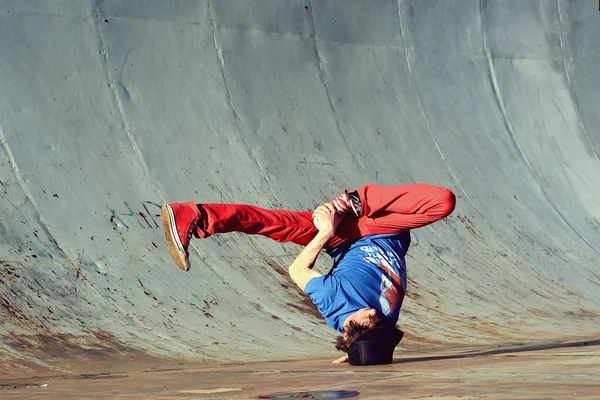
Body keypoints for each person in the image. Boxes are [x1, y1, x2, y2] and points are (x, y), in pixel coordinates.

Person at [160, 183, 456, 365]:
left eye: (370, 323)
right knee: (443, 201)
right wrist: (358, 352)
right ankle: (351, 201)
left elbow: (297, 269)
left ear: (351, 330)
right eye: (379, 322)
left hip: (347, 233)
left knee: (274, 224)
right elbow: (375, 336)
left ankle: (192, 216)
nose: (376, 314)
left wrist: (326, 230)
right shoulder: (380, 325)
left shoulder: (332, 301)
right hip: (385, 225)